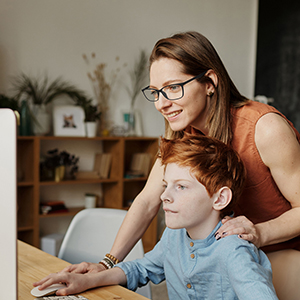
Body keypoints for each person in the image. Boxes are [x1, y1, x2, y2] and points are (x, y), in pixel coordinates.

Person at [49, 31, 300, 299]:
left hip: (274, 259)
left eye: (172, 88)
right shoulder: (180, 132)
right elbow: (147, 200)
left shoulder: (265, 129)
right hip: (219, 260)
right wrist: (106, 264)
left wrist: (258, 233)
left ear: (210, 82)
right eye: (155, 91)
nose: (161, 103)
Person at [34, 134, 279, 299]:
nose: (165, 196)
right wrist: (89, 281)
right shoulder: (173, 236)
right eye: (165, 185)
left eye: (180, 187)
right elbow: (141, 268)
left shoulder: (233, 250)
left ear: (219, 199)